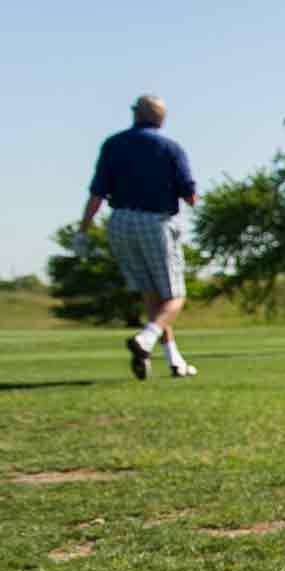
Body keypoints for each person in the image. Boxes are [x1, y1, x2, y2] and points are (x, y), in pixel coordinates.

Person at [81, 94, 199, 379]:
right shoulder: (170, 148)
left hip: (120, 222)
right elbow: (190, 196)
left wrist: (83, 228)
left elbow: (97, 193)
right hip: (155, 222)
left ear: (137, 114)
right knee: (175, 296)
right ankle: (146, 339)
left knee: (151, 294)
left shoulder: (113, 144)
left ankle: (173, 361)